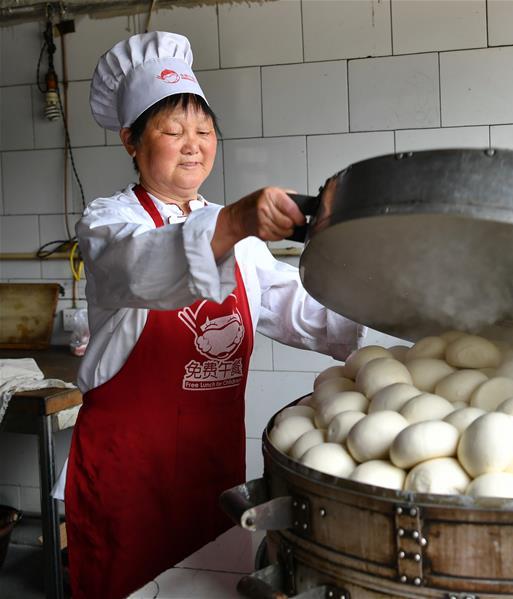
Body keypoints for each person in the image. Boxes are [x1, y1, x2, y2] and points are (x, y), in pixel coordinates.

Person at [60, 31, 363, 599]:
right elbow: (142, 266)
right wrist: (236, 222)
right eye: (172, 132)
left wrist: (391, 298)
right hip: (130, 475)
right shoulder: (108, 222)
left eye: (203, 131)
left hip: (213, 470)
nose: (193, 145)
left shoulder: (237, 234)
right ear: (130, 140)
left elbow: (300, 310)